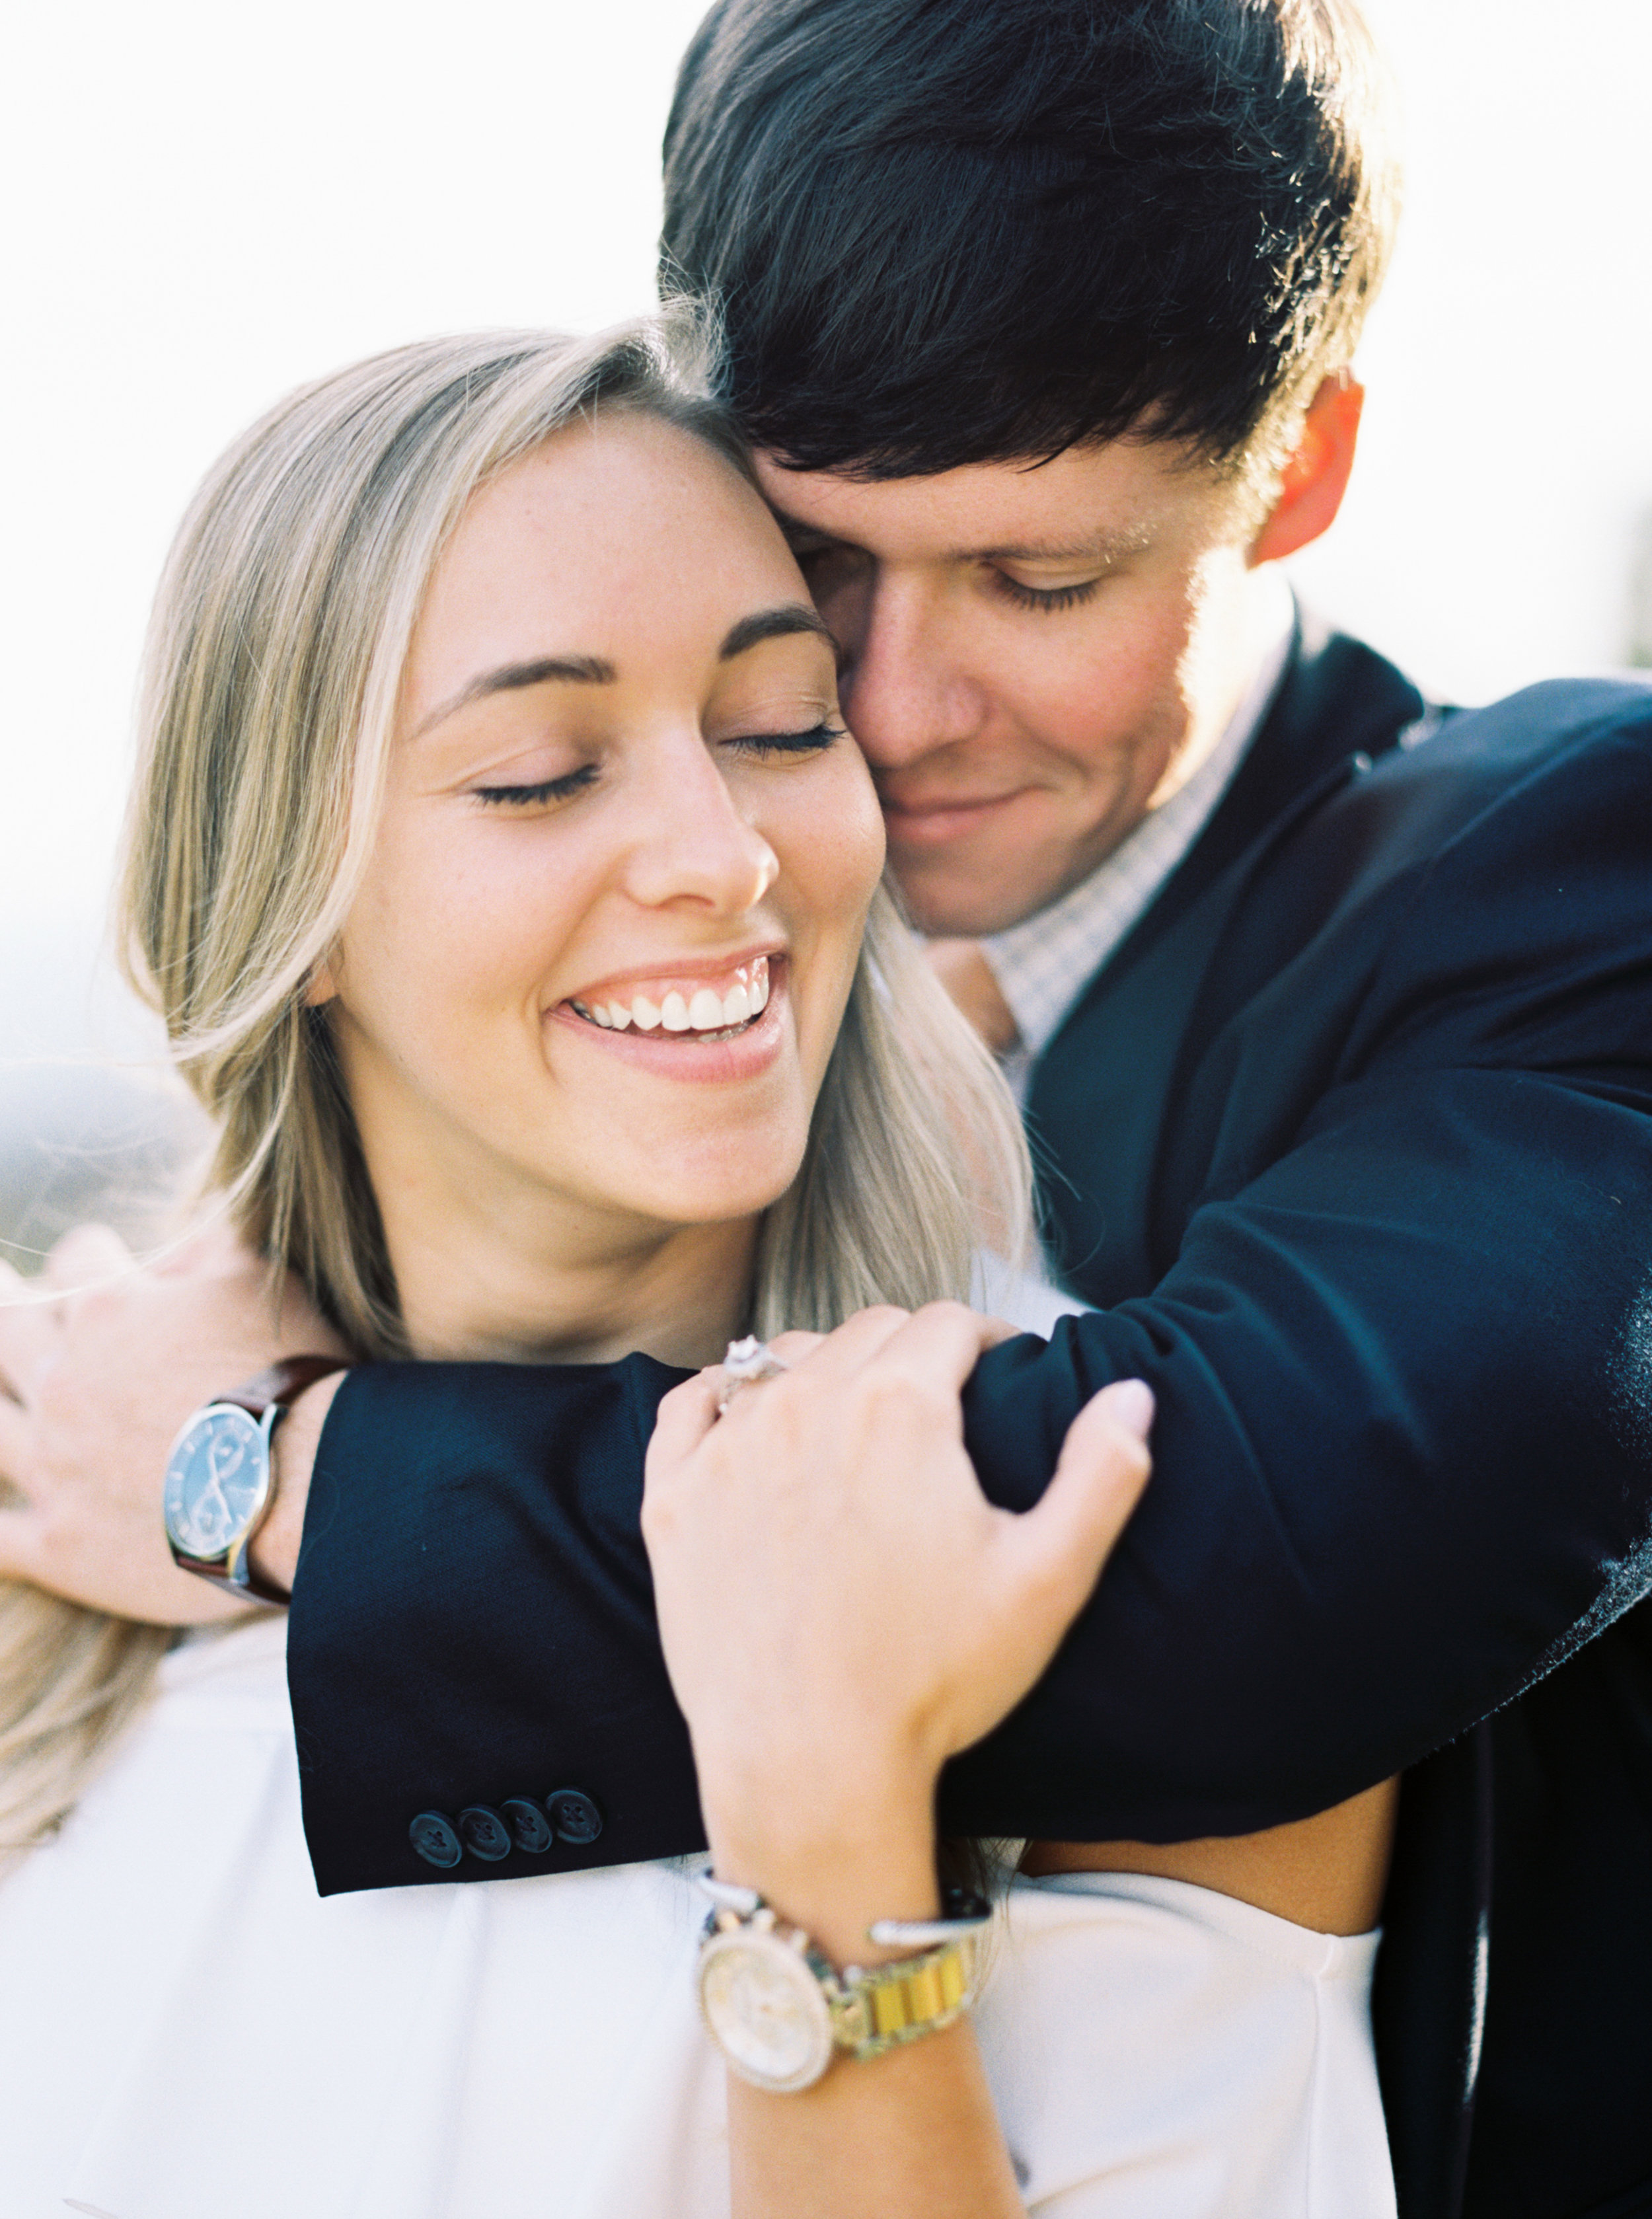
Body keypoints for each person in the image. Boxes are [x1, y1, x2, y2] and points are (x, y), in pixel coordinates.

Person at [2, 2, 1650, 2214]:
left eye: (1039, 582)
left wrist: (280, 1471)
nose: (889, 710)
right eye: (815, 578)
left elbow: (1261, 1561)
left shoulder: (1563, 877)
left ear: (1302, 469)